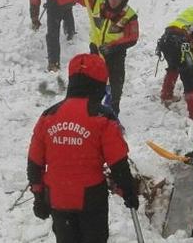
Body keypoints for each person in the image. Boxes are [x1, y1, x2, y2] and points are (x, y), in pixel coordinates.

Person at [27, 53, 140, 243]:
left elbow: (34, 161)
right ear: (99, 85)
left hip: (57, 196)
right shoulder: (102, 117)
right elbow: (118, 162)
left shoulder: (48, 115)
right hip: (91, 198)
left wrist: (39, 195)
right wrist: (128, 190)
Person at [69, 0, 138, 115]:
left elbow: (132, 37)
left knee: (115, 83)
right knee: (92, 80)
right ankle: (92, 109)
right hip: (95, 49)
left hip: (116, 53)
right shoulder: (96, 1)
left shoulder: (129, 15)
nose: (113, 1)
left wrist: (112, 46)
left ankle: (113, 111)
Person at [29, 0, 76, 72]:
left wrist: (35, 18)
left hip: (55, 3)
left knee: (52, 34)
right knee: (67, 11)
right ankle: (70, 32)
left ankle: (53, 64)